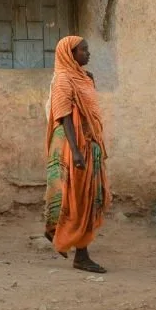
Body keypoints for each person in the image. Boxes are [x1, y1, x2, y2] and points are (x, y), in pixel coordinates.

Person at [44, 35, 111, 272]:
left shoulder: (84, 78)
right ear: (70, 55)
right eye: (83, 50)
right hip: (72, 146)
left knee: (85, 198)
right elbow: (63, 117)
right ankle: (80, 255)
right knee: (80, 199)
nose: (88, 54)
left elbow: (89, 112)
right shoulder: (63, 80)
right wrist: (76, 152)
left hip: (88, 144)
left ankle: (59, 234)